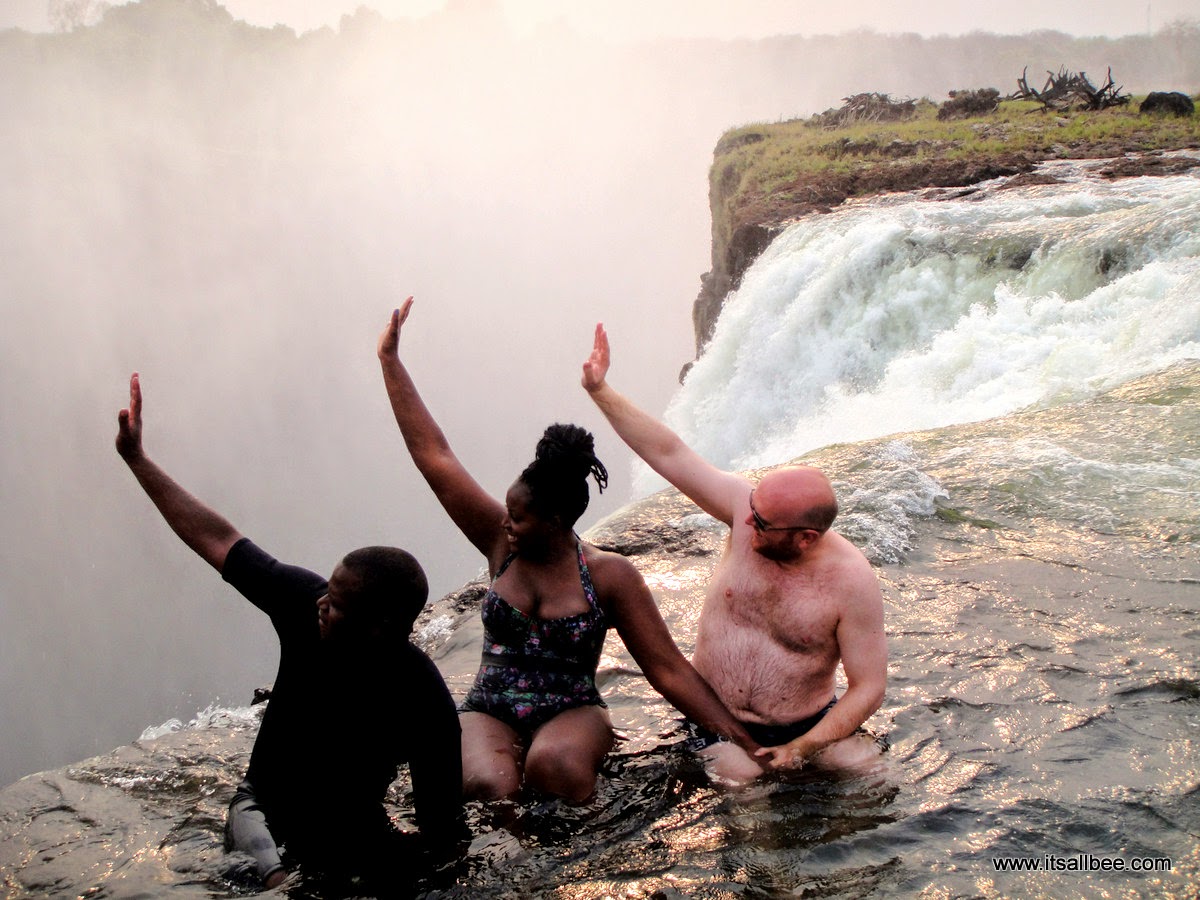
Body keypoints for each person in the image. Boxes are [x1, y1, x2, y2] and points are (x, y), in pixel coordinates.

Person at [376, 298, 762, 804]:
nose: (507, 524)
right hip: (489, 707)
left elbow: (667, 669)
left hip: (572, 711)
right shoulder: (500, 543)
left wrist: (744, 739)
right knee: (487, 786)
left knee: (553, 767)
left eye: (519, 517)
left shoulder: (608, 577)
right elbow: (436, 457)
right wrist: (391, 363)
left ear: (557, 521)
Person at [115, 372, 466, 891]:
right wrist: (138, 461)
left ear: (382, 626)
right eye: (327, 591)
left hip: (351, 824)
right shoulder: (303, 602)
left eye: (339, 603)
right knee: (270, 869)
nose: (322, 604)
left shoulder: (423, 700)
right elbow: (219, 540)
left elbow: (443, 830)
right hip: (265, 812)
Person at [581, 324, 887, 784]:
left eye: (761, 523)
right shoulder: (745, 510)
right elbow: (668, 452)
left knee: (868, 773)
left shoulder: (852, 582)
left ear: (805, 537)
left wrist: (803, 747)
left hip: (804, 724)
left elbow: (869, 686)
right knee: (742, 786)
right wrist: (600, 390)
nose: (745, 523)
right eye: (751, 510)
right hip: (716, 723)